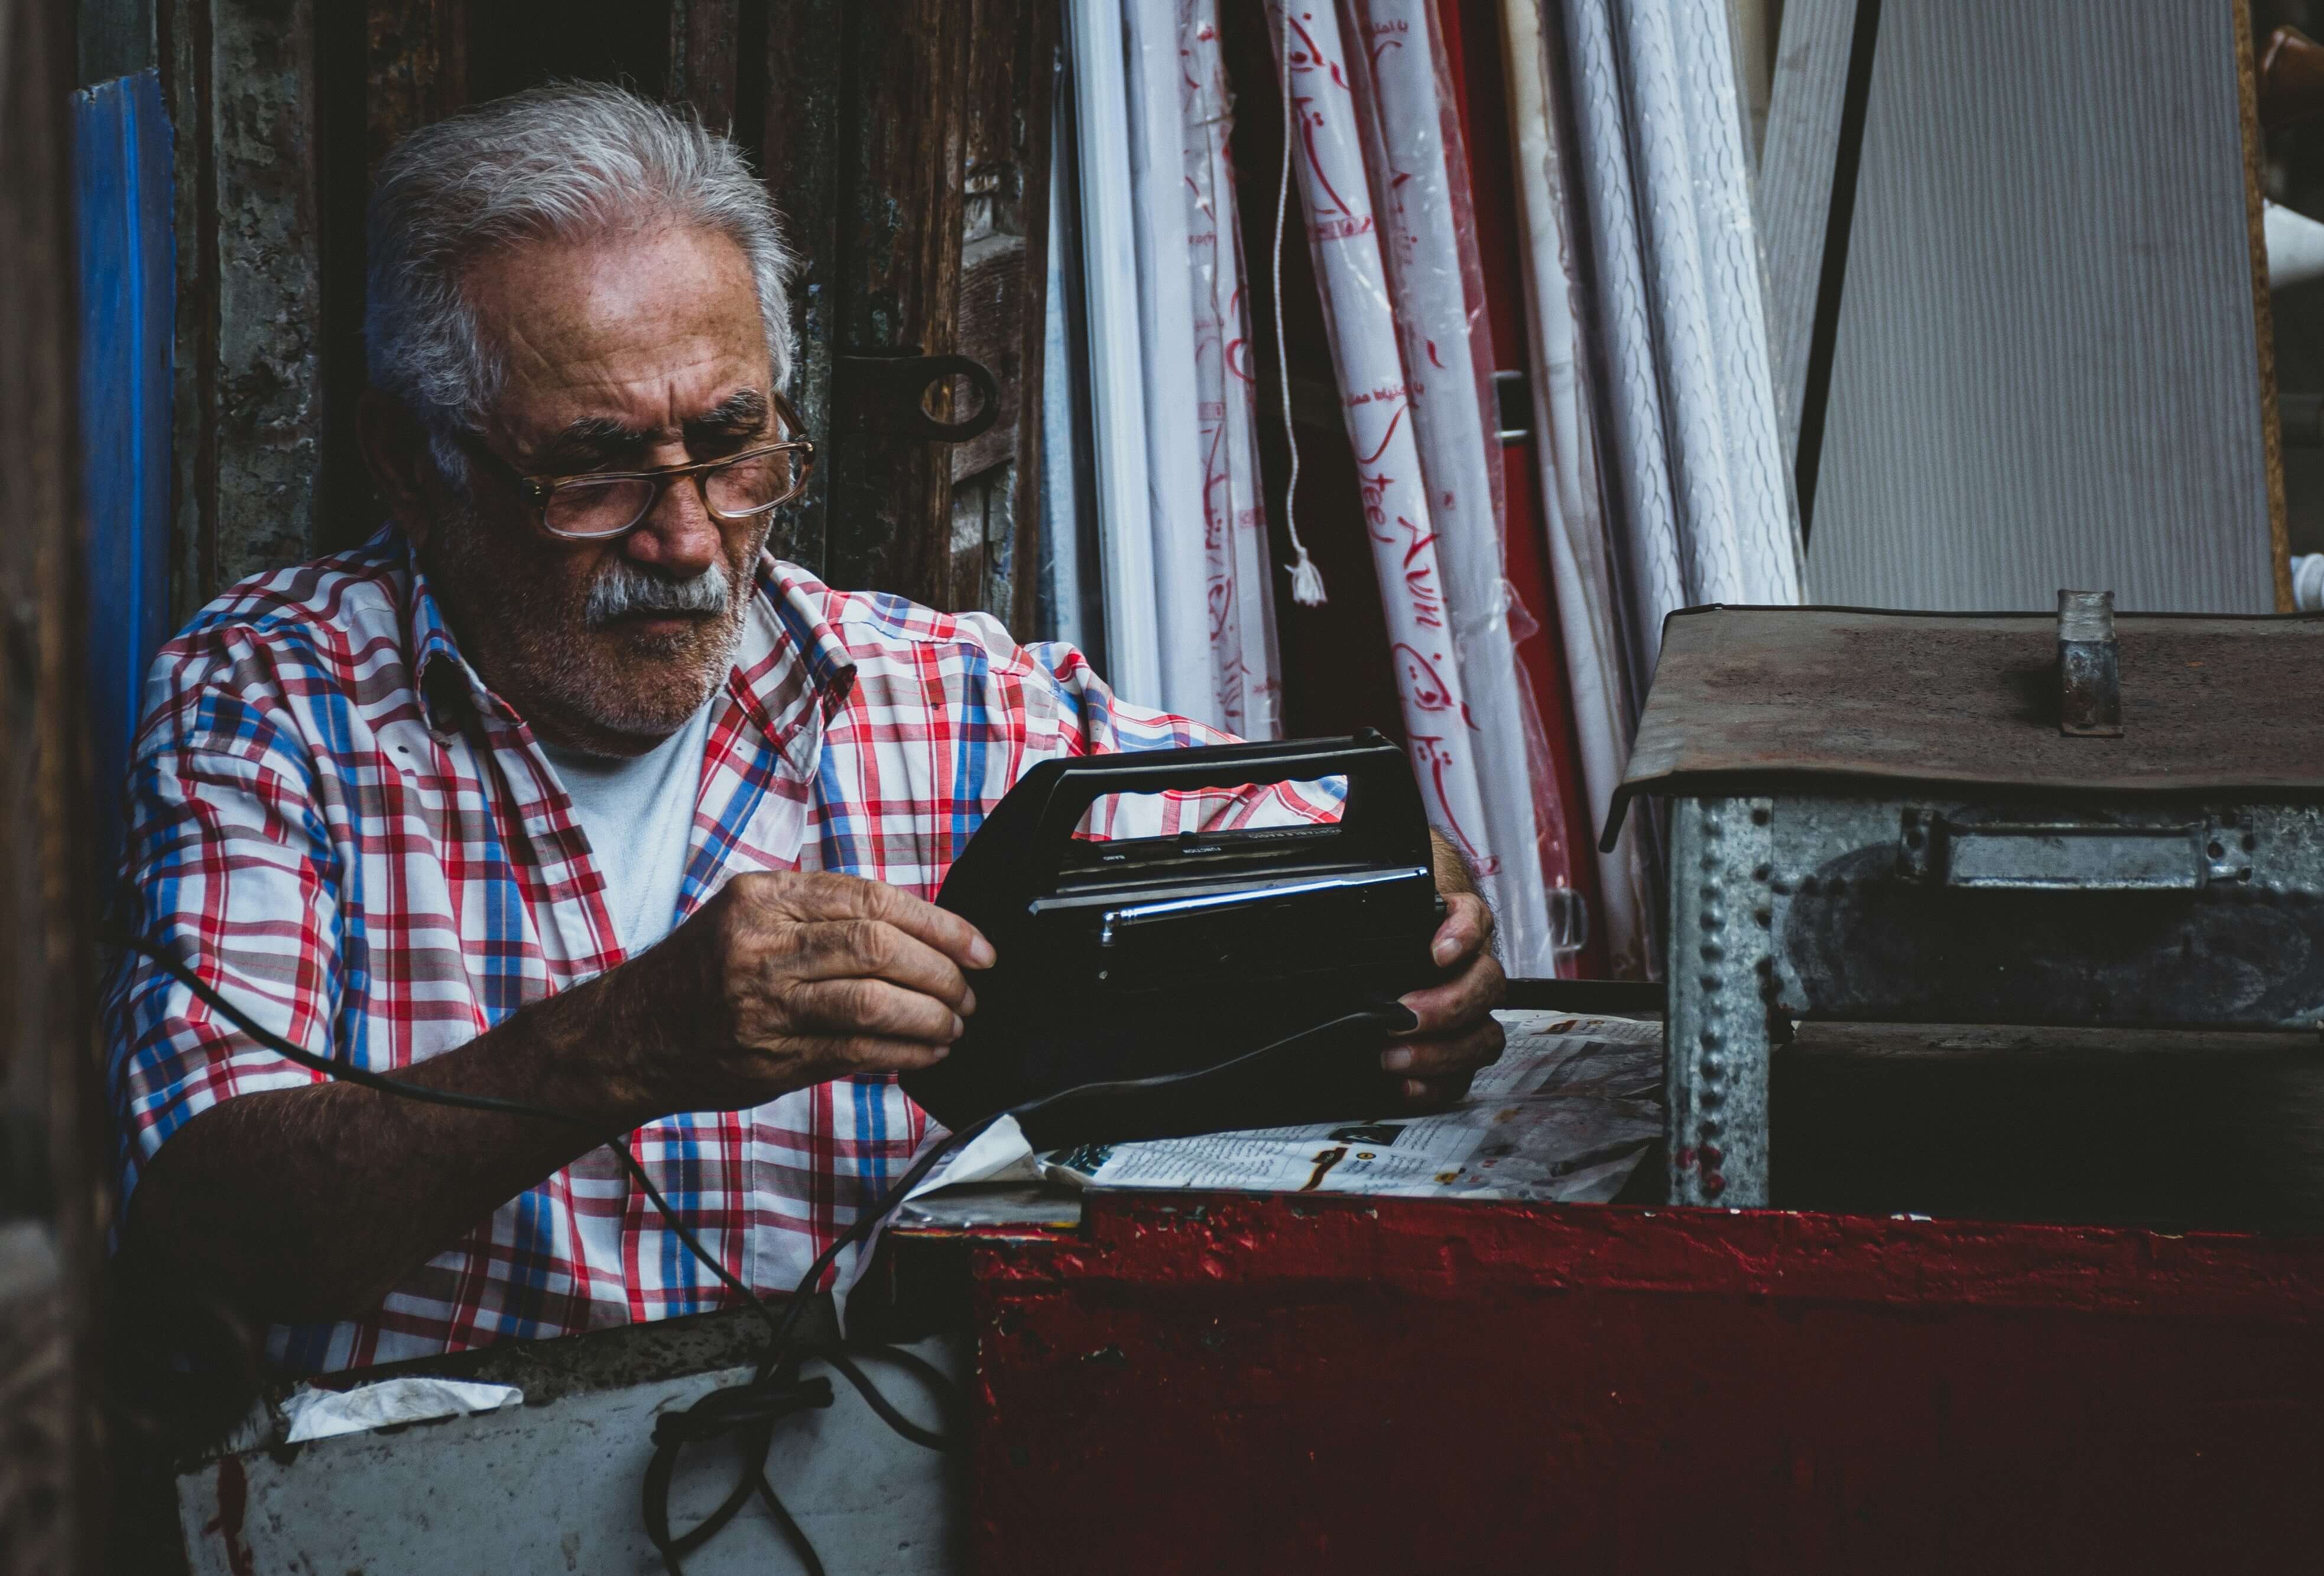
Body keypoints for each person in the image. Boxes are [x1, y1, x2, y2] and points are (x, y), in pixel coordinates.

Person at [104, 83, 1505, 1376]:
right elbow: (208, 1229)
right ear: (414, 462)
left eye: (732, 447)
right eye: (591, 470)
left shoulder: (944, 699)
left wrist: (1414, 950)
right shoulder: (273, 702)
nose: (685, 538)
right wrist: (625, 1041)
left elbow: (1354, 860)